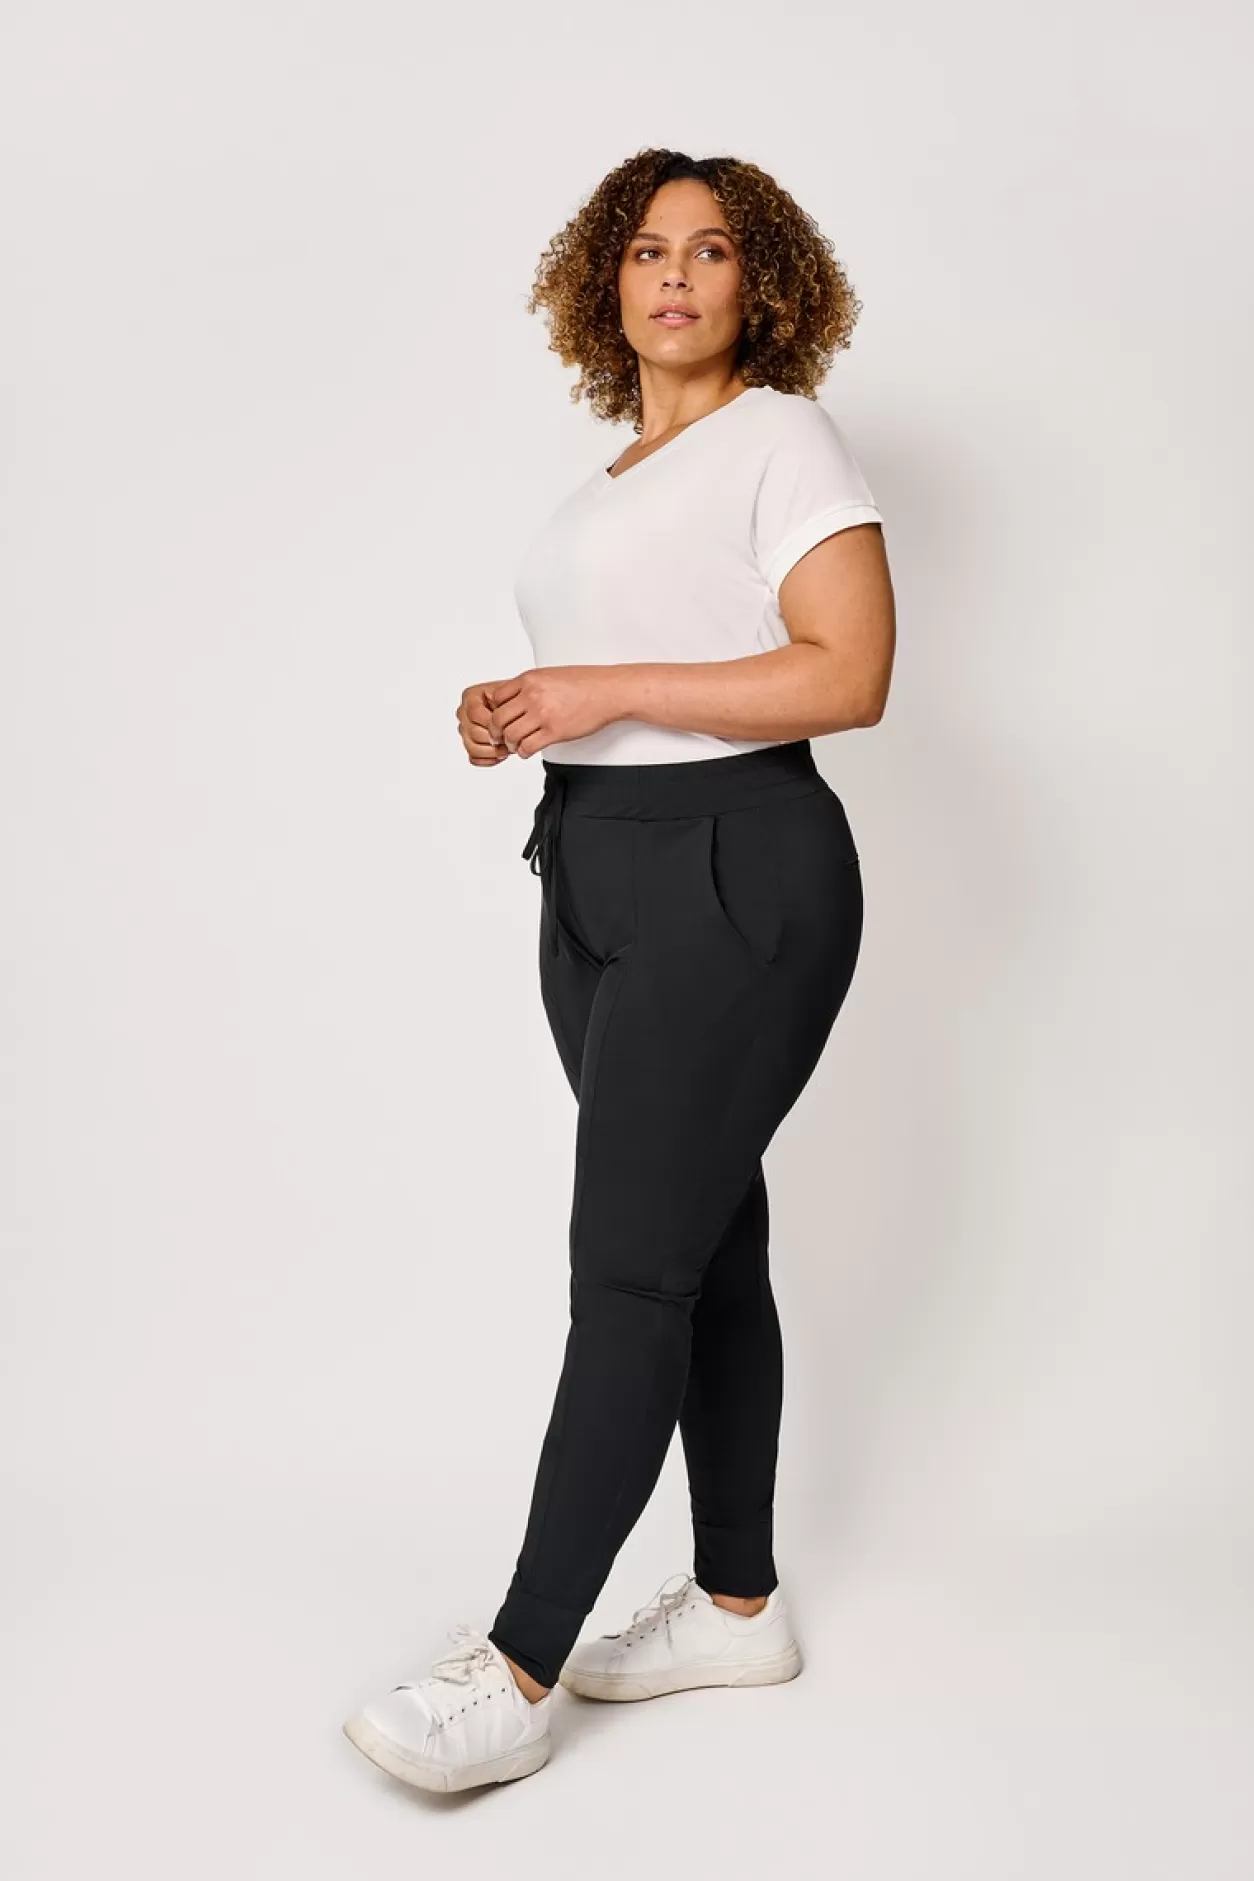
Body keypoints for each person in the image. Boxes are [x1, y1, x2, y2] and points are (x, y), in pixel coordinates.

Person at [343, 146, 896, 1795]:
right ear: (606, 282)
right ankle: (736, 1606)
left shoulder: (782, 437)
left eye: (710, 249)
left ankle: (517, 1667)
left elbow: (848, 674)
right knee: (703, 1246)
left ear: (759, 283)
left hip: (738, 869)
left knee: (628, 1271)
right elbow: (615, 685)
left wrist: (604, 688)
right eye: (647, 249)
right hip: (592, 872)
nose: (674, 275)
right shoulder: (606, 485)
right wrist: (523, 710)